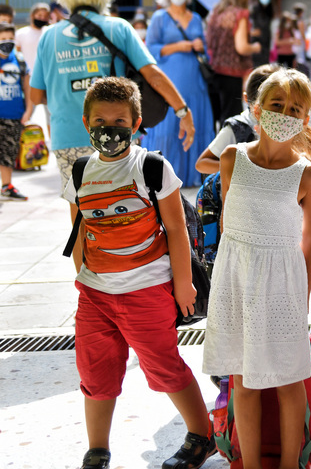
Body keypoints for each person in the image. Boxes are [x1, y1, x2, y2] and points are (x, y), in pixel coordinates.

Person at [64, 77, 214, 469]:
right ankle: (97, 449)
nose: (108, 128)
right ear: (86, 123)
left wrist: (183, 285)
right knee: (95, 372)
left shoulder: (151, 167)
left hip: (147, 290)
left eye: (118, 120)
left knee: (164, 366)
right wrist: (83, 276)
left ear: (135, 123)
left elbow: (177, 229)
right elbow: (78, 229)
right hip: (95, 296)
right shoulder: (80, 173)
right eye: (100, 120)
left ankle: (202, 435)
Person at [203, 68, 311, 469]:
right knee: (242, 381)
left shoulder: (308, 174)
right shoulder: (232, 158)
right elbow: (227, 226)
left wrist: (303, 296)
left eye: (294, 108)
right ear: (256, 109)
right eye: (276, 105)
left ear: (305, 117)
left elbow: (309, 239)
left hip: (282, 285)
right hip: (236, 280)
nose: (285, 114)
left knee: (290, 381)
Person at [30, 0, 195, 192]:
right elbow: (153, 75)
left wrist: (68, 94)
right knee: (123, 204)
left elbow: (36, 95)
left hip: (67, 136)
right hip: (117, 131)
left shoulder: (49, 36)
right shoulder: (118, 28)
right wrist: (182, 111)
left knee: (80, 208)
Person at [142, 0, 216, 187]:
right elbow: (150, 49)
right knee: (167, 128)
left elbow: (205, 51)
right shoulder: (159, 18)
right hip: (169, 82)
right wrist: (178, 47)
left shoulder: (195, 18)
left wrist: (201, 47)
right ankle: (163, 177)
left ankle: (194, 174)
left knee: (197, 125)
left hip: (195, 81)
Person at [195, 64, 279, 176]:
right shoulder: (238, 128)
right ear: (247, 99)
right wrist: (239, 167)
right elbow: (202, 164)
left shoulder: (285, 125)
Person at [206, 0, 261, 125]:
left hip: (213, 70)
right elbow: (242, 47)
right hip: (232, 73)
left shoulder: (215, 13)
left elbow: (208, 41)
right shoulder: (240, 14)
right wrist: (255, 47)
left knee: (214, 118)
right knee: (231, 121)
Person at [0, 22, 34, 201]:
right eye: (3, 38)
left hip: (14, 114)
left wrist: (28, 110)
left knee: (8, 153)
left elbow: (27, 86)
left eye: (10, 38)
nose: (7, 42)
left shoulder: (19, 59)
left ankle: (6, 186)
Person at [15, 2, 51, 70]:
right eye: (39, 16)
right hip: (28, 74)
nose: (42, 19)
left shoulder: (50, 32)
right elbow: (17, 53)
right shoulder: (20, 33)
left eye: (45, 16)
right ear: (32, 15)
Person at [250, 0, 274, 69]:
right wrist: (252, 32)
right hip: (256, 41)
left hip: (266, 41)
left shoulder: (269, 9)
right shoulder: (254, 8)